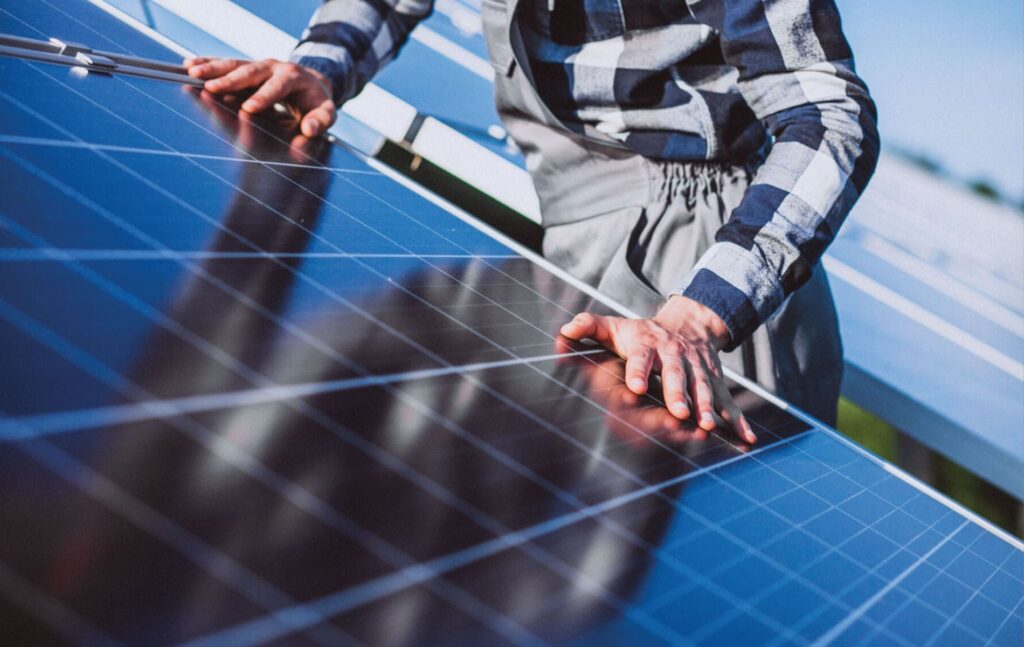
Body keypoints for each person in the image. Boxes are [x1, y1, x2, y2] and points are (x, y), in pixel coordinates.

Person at [183, 0, 879, 442]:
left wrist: (699, 314)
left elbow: (829, 118)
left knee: (707, 580)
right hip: (577, 245)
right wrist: (323, 68)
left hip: (708, 273)